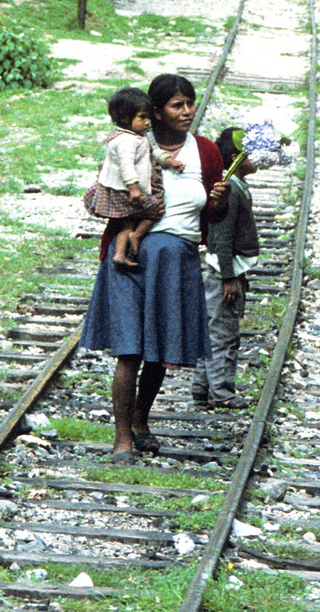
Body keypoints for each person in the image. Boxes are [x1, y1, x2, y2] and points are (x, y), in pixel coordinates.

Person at [79, 73, 228, 463]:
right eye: (177, 105)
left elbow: (212, 216)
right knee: (129, 351)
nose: (187, 111)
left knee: (159, 350)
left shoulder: (207, 152)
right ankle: (122, 438)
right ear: (156, 112)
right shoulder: (130, 145)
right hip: (132, 257)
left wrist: (221, 201)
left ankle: (141, 422)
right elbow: (109, 194)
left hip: (175, 258)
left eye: (190, 103)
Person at [192, 127, 261, 409]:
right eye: (252, 154)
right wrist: (229, 277)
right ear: (236, 157)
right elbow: (220, 237)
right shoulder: (229, 191)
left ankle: (201, 386)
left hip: (228, 270)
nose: (258, 159)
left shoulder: (234, 186)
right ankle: (222, 391)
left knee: (214, 328)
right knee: (224, 332)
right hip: (225, 272)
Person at [83, 86, 184, 269]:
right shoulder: (125, 141)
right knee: (156, 208)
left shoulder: (139, 135)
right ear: (124, 118)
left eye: (148, 117)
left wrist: (169, 161)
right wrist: (134, 188)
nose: (147, 122)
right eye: (142, 117)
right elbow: (126, 166)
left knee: (127, 222)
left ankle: (120, 253)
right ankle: (137, 235)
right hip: (124, 189)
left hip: (127, 188)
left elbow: (155, 151)